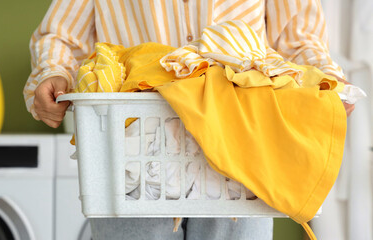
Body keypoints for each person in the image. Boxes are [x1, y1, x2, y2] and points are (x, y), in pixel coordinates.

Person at [24, 1, 354, 239]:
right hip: (132, 151)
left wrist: (327, 81)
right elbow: (61, 36)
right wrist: (52, 73)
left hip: (242, 157)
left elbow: (297, 37)